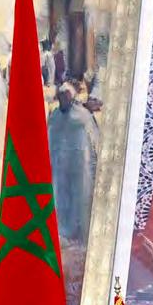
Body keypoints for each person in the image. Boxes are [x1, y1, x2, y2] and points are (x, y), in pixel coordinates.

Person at [48, 82, 99, 246]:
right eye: (61, 97)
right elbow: (49, 140)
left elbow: (94, 140)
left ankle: (79, 234)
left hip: (79, 165)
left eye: (66, 96)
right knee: (62, 198)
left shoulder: (83, 116)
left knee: (80, 197)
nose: (63, 99)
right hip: (60, 166)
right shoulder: (54, 116)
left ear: (71, 97)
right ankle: (64, 231)